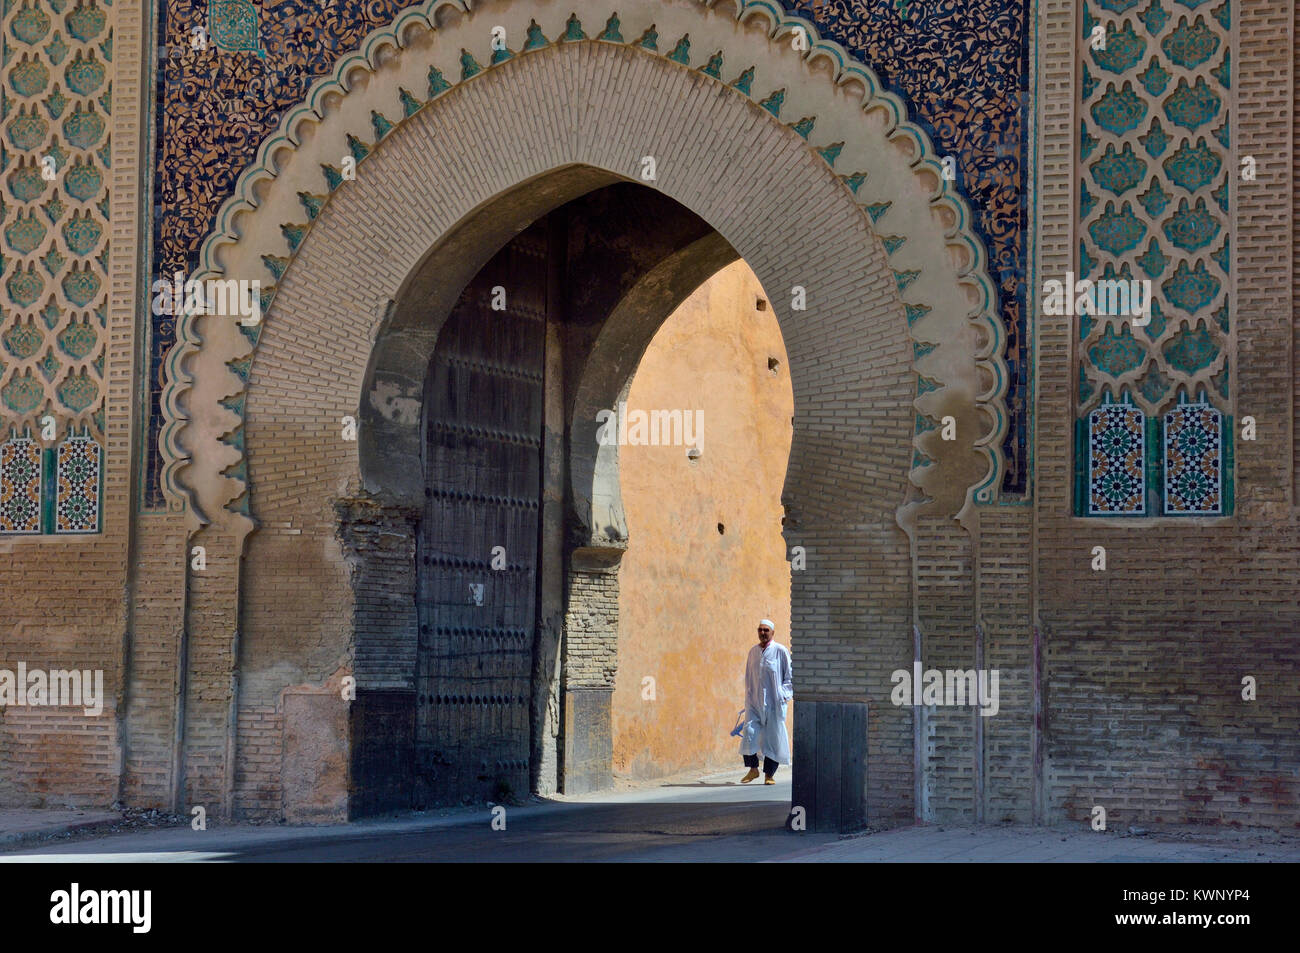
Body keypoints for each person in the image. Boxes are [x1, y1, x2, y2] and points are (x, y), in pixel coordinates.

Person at [739, 618, 793, 784]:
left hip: (774, 704)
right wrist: (748, 698)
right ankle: (753, 768)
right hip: (754, 702)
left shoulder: (780, 651)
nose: (762, 633)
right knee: (749, 733)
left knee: (772, 738)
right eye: (760, 630)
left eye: (766, 630)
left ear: (772, 633)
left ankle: (769, 775)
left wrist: (782, 695)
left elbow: (789, 677)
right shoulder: (753, 652)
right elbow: (749, 677)